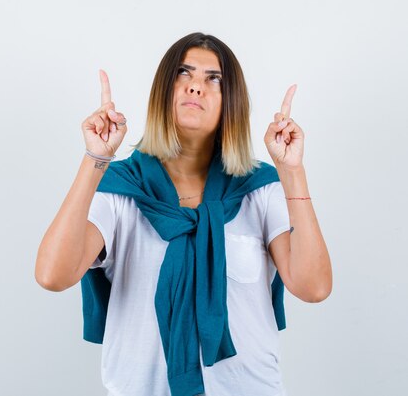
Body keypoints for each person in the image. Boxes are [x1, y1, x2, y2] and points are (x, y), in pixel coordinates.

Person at [35, 32, 332, 396]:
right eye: (183, 73)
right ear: (164, 91)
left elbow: (314, 287)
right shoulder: (122, 188)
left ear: (231, 103)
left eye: (214, 79)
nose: (196, 87)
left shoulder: (260, 188)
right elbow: (52, 275)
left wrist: (292, 172)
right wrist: (96, 159)